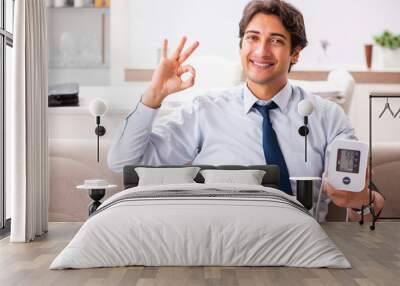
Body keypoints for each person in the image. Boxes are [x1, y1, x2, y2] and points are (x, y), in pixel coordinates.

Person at [107, 0, 384, 221]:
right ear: (241, 45)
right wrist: (154, 95)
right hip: (220, 247)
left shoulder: (328, 116)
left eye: (276, 40)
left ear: (295, 52)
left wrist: (360, 200)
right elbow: (123, 164)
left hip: (302, 250)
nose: (261, 51)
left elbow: (368, 200)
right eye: (252, 38)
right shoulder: (204, 111)